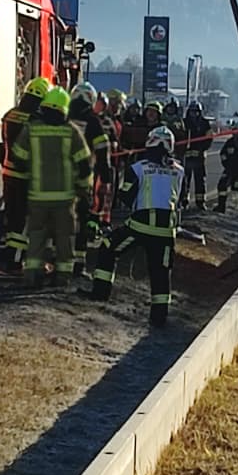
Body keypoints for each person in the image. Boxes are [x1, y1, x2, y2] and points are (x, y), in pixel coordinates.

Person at [89, 125, 183, 326]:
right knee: (161, 273)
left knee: (108, 247)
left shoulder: (138, 168)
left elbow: (125, 196)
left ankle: (100, 294)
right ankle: (159, 317)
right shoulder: (179, 171)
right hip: (167, 231)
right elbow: (179, 198)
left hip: (140, 226)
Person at [8, 85, 92, 289]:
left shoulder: (31, 129)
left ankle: (32, 276)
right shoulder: (71, 131)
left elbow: (18, 157)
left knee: (36, 237)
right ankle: (61, 278)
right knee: (64, 239)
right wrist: (82, 189)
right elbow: (84, 165)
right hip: (65, 199)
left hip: (37, 196)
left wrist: (32, 170)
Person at [0, 75, 53, 271]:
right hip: (26, 177)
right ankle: (14, 261)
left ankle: (10, 255)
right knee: (22, 222)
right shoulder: (36, 120)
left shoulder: (11, 114)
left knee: (12, 218)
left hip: (8, 173)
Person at [68, 81, 111, 275]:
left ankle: (55, 262)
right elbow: (102, 152)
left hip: (58, 177)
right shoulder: (93, 122)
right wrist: (106, 177)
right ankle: (78, 264)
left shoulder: (62, 117)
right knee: (82, 221)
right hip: (82, 180)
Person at [180, 101, 212, 210]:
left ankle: (200, 202)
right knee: (185, 180)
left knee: (200, 180)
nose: (194, 114)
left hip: (199, 157)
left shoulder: (205, 124)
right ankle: (184, 201)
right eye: (192, 112)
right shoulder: (184, 123)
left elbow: (209, 138)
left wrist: (202, 149)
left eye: (196, 112)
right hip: (186, 157)